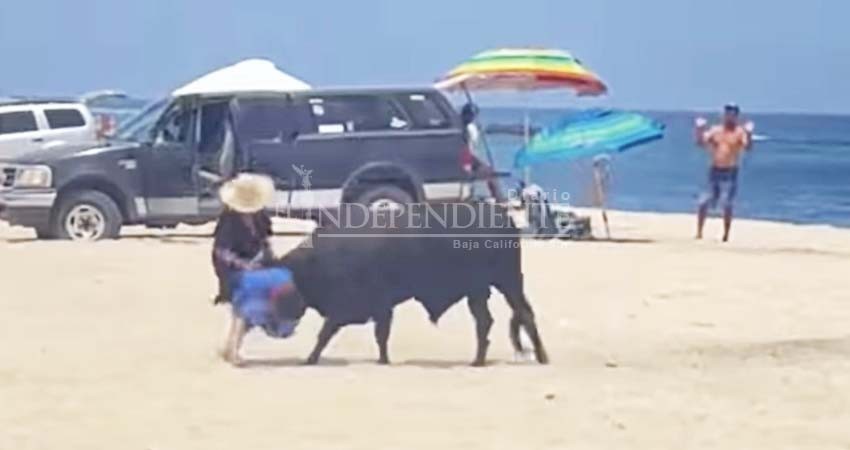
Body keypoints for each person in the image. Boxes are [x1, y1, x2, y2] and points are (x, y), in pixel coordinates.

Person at [212, 173, 303, 366]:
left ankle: (231, 345)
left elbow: (264, 243)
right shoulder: (229, 221)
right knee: (254, 294)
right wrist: (245, 265)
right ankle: (233, 349)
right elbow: (222, 252)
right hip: (234, 272)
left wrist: (272, 260)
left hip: (258, 268)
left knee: (283, 279)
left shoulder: (260, 217)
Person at [694, 103, 754, 242]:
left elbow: (748, 147)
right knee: (704, 201)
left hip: (730, 172)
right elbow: (700, 143)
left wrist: (749, 134)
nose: (729, 116)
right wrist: (699, 130)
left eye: (732, 114)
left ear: (736, 116)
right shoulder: (716, 130)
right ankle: (699, 232)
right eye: (727, 113)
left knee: (727, 203)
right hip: (714, 171)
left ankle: (726, 234)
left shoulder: (739, 132)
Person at [461, 103, 506, 203]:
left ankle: (498, 197)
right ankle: (499, 198)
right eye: (470, 115)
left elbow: (472, 144)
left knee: (489, 171)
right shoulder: (464, 128)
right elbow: (465, 147)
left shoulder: (469, 127)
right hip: (464, 158)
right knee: (488, 172)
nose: (472, 118)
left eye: (473, 116)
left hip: (468, 157)